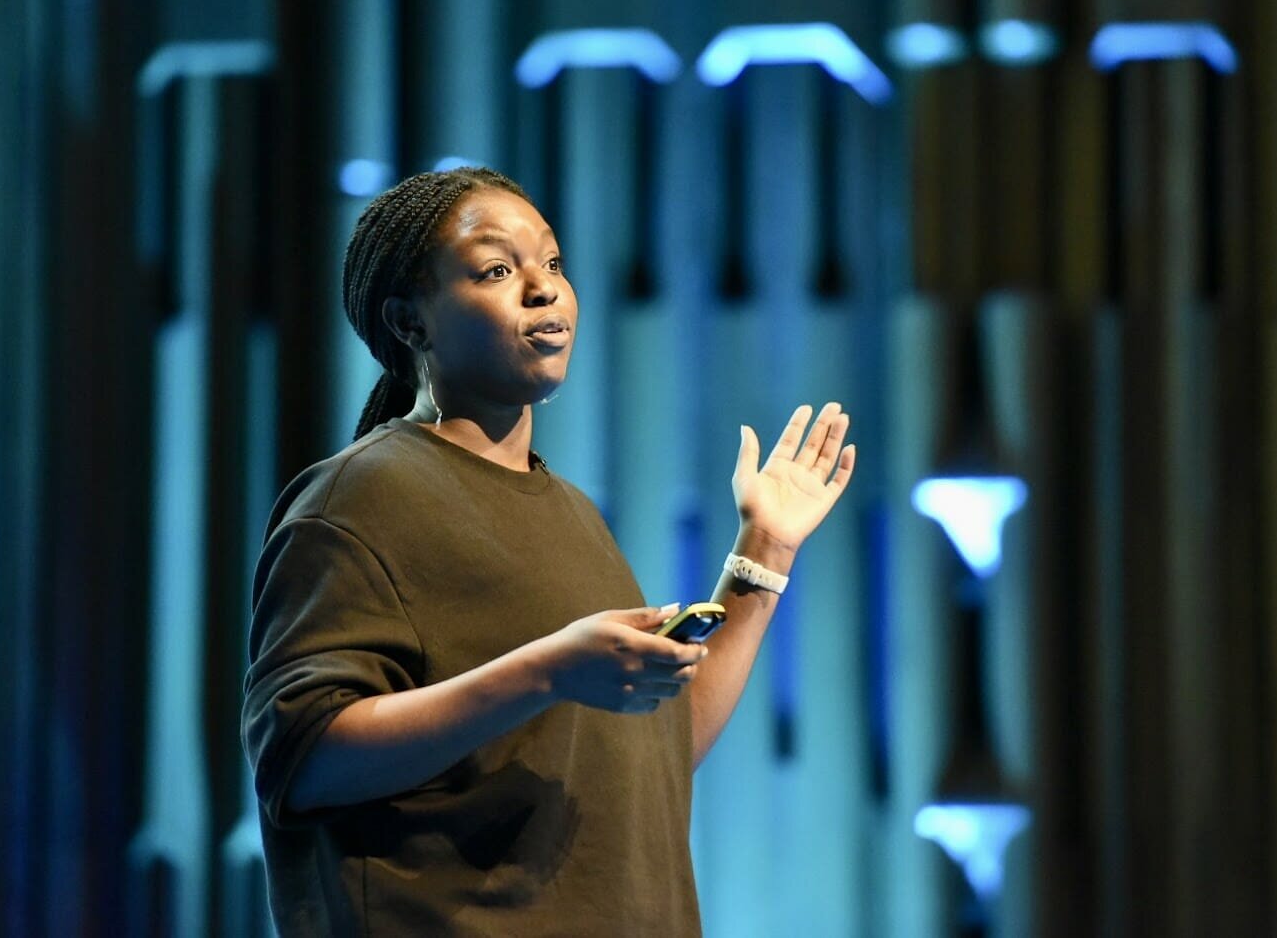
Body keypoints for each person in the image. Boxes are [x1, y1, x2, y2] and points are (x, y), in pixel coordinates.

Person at [241, 166, 855, 935]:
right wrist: (548, 667)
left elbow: (649, 755)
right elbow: (302, 756)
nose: (545, 290)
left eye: (553, 264)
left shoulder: (572, 512)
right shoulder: (361, 498)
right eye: (498, 269)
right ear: (409, 321)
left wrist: (764, 552)